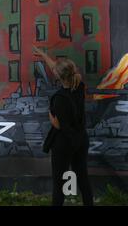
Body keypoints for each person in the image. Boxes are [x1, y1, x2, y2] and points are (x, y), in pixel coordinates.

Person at [33, 46, 93, 206]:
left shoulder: (59, 98)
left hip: (64, 143)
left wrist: (52, 119)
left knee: (59, 184)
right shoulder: (80, 87)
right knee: (83, 178)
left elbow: (59, 125)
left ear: (58, 76)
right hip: (80, 140)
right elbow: (57, 68)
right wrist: (44, 55)